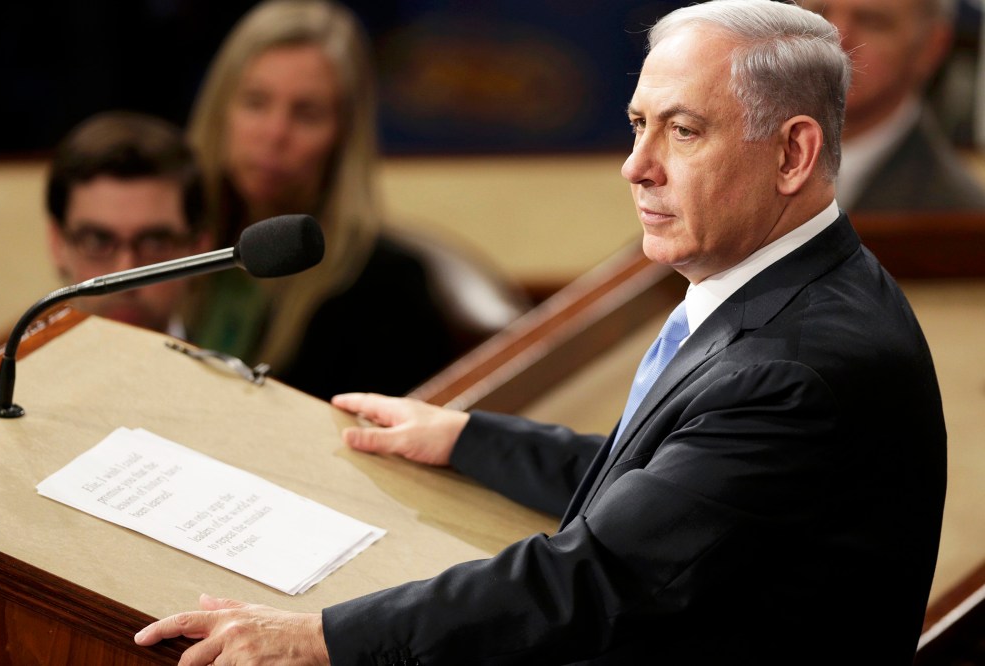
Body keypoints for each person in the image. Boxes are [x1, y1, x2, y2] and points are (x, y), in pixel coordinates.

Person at [135, 1, 947, 663]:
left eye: (683, 131)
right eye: (637, 124)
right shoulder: (793, 289)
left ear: (794, 153)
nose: (637, 165)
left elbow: (594, 576)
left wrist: (316, 638)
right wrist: (466, 438)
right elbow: (662, 491)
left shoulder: (800, 365)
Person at [182, 0, 480, 401]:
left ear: (343, 137)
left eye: (306, 114)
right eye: (255, 102)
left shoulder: (387, 287)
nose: (274, 133)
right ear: (221, 110)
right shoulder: (165, 242)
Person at [799, 0, 985, 211]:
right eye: (817, 14)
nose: (833, 40)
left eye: (871, 22)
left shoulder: (960, 221)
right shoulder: (760, 164)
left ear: (931, 47)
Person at [46, 111, 209, 334]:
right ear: (57, 244)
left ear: (199, 249)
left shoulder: (229, 369)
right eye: (97, 242)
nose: (125, 275)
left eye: (155, 244)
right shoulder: (15, 369)